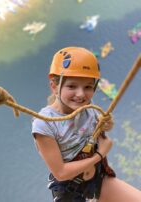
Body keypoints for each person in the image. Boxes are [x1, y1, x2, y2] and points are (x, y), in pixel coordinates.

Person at [31, 47, 141, 201]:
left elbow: (99, 127)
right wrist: (99, 154)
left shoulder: (88, 109)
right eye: (72, 86)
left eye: (88, 87)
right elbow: (61, 173)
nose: (81, 94)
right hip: (71, 190)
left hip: (99, 178)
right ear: (54, 86)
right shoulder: (44, 125)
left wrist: (106, 124)